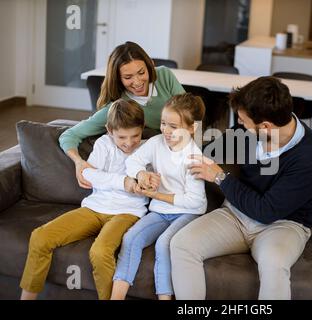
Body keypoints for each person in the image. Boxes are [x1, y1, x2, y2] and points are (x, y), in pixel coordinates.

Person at [170, 76, 312, 300]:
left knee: (274, 264)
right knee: (181, 244)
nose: (240, 125)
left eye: (244, 121)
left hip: (283, 225)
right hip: (235, 215)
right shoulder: (249, 132)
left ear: (265, 126)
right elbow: (207, 151)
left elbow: (266, 211)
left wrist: (220, 177)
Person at [20, 99, 158, 300]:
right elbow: (89, 175)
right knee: (40, 237)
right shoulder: (103, 143)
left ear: (142, 129)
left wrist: (147, 183)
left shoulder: (149, 149)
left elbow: (151, 182)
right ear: (109, 130)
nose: (129, 142)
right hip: (94, 208)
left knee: (100, 252)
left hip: (127, 213)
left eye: (135, 135)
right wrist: (125, 182)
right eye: (121, 137)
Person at [110, 93, 207, 300]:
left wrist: (157, 195)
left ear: (192, 128)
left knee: (164, 244)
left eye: (173, 126)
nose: (166, 130)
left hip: (188, 213)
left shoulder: (194, 157)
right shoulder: (156, 143)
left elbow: (195, 201)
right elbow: (132, 162)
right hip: (161, 212)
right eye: (163, 123)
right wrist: (141, 173)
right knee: (131, 238)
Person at [59, 41, 185, 190]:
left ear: (149, 65)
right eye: (128, 77)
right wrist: (78, 162)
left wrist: (193, 152)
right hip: (161, 160)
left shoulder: (164, 75)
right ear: (118, 78)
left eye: (141, 72)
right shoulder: (119, 107)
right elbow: (69, 135)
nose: (137, 82)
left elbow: (190, 115)